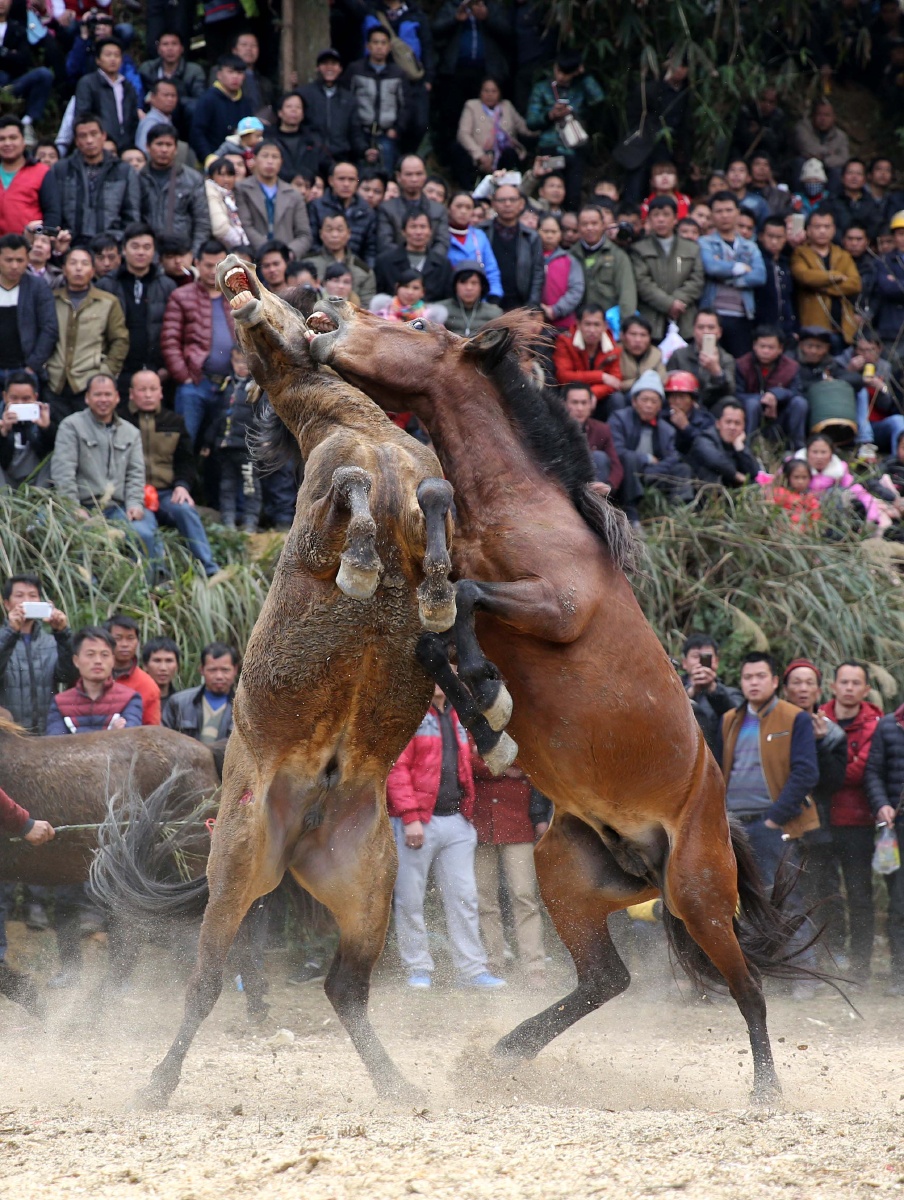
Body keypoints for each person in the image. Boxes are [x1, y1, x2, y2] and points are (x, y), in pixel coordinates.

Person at [387, 680, 506, 990]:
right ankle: (418, 969)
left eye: (451, 669)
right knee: (410, 899)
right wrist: (410, 817)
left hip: (456, 820)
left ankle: (472, 970)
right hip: (417, 822)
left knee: (464, 898)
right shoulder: (410, 714)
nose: (447, 675)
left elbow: (466, 764)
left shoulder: (457, 713)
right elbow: (397, 768)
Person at [718, 651, 820, 996]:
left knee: (788, 899)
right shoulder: (730, 718)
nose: (754, 682)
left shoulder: (794, 718)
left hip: (774, 824)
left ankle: (804, 976)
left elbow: (806, 771)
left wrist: (775, 819)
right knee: (746, 900)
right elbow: (722, 769)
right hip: (735, 824)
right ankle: (763, 975)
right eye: (748, 677)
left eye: (761, 676)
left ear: (775, 681)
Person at [818, 661, 884, 984]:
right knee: (824, 894)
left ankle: (861, 967)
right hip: (820, 820)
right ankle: (828, 961)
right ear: (833, 686)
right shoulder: (818, 717)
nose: (848, 688)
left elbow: (861, 771)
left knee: (859, 896)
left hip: (857, 821)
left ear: (866, 690)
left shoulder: (875, 723)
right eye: (843, 681)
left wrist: (827, 770)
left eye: (856, 683)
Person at [51, 373, 159, 565]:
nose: (103, 400)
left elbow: (136, 473)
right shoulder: (71, 426)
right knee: (80, 539)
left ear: (117, 397)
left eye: (108, 394)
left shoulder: (131, 432)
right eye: (97, 394)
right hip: (82, 506)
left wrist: (135, 504)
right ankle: (86, 590)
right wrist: (72, 507)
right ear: (87, 398)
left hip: (117, 508)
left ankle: (148, 589)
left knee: (144, 534)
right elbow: (63, 471)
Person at [124, 370, 222, 577]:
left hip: (167, 492)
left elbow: (186, 461)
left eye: (153, 389)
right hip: (134, 494)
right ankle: (157, 578)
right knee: (144, 528)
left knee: (185, 511)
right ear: (132, 393)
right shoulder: (122, 422)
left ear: (161, 392)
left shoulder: (174, 421)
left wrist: (182, 486)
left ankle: (210, 569)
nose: (148, 395)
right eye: (142, 390)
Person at [781, 659, 848, 958]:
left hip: (819, 823)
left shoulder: (832, 732)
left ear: (819, 690)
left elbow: (833, 782)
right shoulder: (774, 728)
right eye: (796, 682)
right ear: (784, 689)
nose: (803, 688)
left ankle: (830, 954)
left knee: (823, 890)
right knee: (784, 893)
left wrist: (819, 744)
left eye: (809, 683)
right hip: (780, 822)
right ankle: (787, 957)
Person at [471, 755, 545, 986]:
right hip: (481, 826)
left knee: (524, 897)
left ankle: (535, 966)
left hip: (519, 825)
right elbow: (466, 763)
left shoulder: (518, 730)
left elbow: (532, 764)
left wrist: (490, 767)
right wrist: (506, 768)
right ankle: (493, 961)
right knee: (484, 900)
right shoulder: (473, 729)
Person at [161, 239, 237, 444]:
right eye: (208, 265)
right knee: (186, 442)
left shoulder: (237, 296)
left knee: (225, 446)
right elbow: (170, 341)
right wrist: (184, 377)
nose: (214, 271)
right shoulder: (181, 296)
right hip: (195, 383)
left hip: (232, 384)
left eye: (219, 265)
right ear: (197, 263)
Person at [46, 248, 129, 426]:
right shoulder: (51, 300)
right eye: (73, 263)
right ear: (64, 269)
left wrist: (106, 373)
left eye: (84, 264)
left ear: (92, 271)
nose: (78, 269)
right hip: (54, 381)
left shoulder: (108, 302)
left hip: (88, 383)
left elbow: (119, 341)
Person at [95, 224, 177, 396]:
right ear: (124, 250)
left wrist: (166, 368)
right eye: (135, 246)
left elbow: (173, 330)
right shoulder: (107, 284)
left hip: (155, 372)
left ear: (154, 251)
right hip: (117, 371)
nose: (141, 252)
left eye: (147, 247)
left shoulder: (166, 285)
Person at [608, 370, 694, 525]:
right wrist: (645, 458)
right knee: (629, 458)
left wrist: (654, 469)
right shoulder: (619, 419)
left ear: (660, 406)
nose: (649, 405)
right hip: (626, 473)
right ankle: (632, 514)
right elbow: (617, 450)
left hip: (653, 473)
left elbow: (672, 457)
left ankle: (679, 516)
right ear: (634, 401)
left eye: (654, 401)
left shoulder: (666, 429)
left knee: (683, 469)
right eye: (644, 400)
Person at [864, 689, 904, 996]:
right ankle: (899, 974)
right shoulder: (889, 725)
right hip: (898, 827)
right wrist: (882, 804)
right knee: (900, 902)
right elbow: (873, 773)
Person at [44, 114, 141, 240]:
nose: (89, 140)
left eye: (94, 134)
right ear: (76, 141)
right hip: (71, 244)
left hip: (111, 245)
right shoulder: (61, 169)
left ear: (103, 136)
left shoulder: (123, 170)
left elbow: (131, 215)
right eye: (83, 136)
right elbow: (53, 211)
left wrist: (120, 240)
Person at [0, 573, 75, 734]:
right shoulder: (3, 638)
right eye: (19, 596)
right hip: (8, 734)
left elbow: (68, 676)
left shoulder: (51, 641)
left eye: (33, 596)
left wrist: (62, 633)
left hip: (48, 732)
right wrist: (10, 632)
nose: (26, 600)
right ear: (7, 604)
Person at [697, 191, 766, 360]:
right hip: (713, 314)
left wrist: (731, 279)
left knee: (740, 363)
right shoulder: (704, 242)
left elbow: (760, 275)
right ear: (712, 215)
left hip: (742, 316)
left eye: (729, 210)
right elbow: (712, 268)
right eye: (719, 211)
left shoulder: (750, 246)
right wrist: (740, 267)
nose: (724, 215)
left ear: (738, 213)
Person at [202, 343, 262, 532]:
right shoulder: (226, 385)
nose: (242, 366)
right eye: (238, 361)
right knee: (227, 484)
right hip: (225, 446)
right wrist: (207, 441)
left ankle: (250, 522)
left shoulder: (257, 388)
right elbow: (218, 417)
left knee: (250, 485)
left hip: (246, 446)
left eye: (246, 362)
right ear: (232, 361)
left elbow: (263, 418)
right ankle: (228, 520)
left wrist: (262, 439)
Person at [631, 196, 704, 344]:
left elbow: (697, 280)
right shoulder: (639, 249)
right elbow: (642, 283)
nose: (661, 220)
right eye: (656, 215)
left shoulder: (691, 248)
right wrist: (669, 303)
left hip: (684, 319)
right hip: (651, 320)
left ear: (676, 218)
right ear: (649, 220)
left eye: (666, 215)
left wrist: (678, 301)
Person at [47, 625, 143, 734]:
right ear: (76, 661)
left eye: (104, 655)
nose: (98, 661)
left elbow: (129, 739)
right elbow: (56, 743)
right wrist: (112, 735)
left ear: (113, 660)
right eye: (90, 654)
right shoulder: (60, 702)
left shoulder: (129, 698)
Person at [790, 210, 861, 348]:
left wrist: (820, 286)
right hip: (814, 327)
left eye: (827, 227)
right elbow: (804, 277)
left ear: (834, 230)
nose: (822, 231)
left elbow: (855, 284)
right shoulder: (800, 253)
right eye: (817, 227)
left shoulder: (843, 255)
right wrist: (834, 276)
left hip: (842, 328)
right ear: (808, 230)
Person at [139, 127, 211, 259]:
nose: (164, 150)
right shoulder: (137, 178)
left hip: (182, 253)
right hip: (146, 254)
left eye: (169, 145)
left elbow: (202, 221)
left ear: (176, 149)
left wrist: (194, 255)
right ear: (148, 147)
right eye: (159, 144)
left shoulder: (192, 179)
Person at [344, 27, 408, 175]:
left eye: (383, 43)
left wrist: (398, 129)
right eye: (375, 42)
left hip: (387, 133)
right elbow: (347, 101)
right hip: (360, 132)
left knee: (386, 174)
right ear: (368, 46)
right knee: (358, 176)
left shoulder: (398, 73)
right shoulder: (355, 69)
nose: (379, 47)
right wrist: (354, 129)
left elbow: (406, 106)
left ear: (389, 47)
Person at [234, 141, 313, 261]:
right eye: (265, 156)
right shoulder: (242, 189)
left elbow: (304, 234)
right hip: (253, 257)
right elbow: (245, 225)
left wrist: (287, 253)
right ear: (254, 160)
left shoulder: (293, 194)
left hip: (286, 260)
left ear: (281, 161)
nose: (270, 161)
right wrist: (267, 251)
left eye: (275, 157)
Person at [0, 234, 58, 393]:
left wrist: (32, 366)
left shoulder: (37, 286)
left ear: (27, 260)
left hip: (24, 369)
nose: (14, 266)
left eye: (19, 260)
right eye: (8, 260)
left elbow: (49, 328)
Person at [735, 325, 808, 448]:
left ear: (780, 348)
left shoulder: (791, 367)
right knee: (752, 404)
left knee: (800, 403)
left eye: (771, 347)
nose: (766, 351)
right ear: (754, 346)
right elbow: (736, 394)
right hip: (752, 413)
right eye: (762, 346)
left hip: (780, 417)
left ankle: (797, 448)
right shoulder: (742, 364)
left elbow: (797, 392)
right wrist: (764, 398)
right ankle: (747, 447)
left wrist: (776, 395)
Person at [454, 76, 531, 189]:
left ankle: (509, 190)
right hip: (479, 156)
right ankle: (468, 190)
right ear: (480, 92)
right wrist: (480, 156)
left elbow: (523, 128)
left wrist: (545, 122)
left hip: (504, 156)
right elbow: (463, 134)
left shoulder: (507, 106)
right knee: (458, 150)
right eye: (486, 91)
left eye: (494, 91)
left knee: (510, 154)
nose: (490, 94)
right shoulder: (472, 106)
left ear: (500, 93)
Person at [569, 203, 637, 325]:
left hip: (609, 323)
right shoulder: (571, 255)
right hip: (578, 324)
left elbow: (627, 294)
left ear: (603, 225)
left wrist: (625, 326)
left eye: (594, 223)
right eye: (585, 224)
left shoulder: (618, 256)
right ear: (578, 227)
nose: (589, 228)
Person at [482, 183, 544, 312]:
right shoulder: (481, 231)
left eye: (512, 200)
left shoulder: (532, 237)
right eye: (502, 200)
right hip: (486, 305)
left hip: (519, 305)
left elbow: (538, 273)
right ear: (493, 203)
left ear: (521, 203)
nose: (507, 204)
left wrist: (532, 307)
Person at [162, 641, 238, 745]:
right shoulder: (178, 703)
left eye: (225, 670)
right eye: (212, 670)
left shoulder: (245, 709)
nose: (219, 676)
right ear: (201, 670)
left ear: (235, 670)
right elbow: (163, 741)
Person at [299, 48, 365, 165]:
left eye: (334, 64)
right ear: (318, 68)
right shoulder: (305, 94)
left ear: (340, 69)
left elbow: (355, 131)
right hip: (311, 157)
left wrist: (364, 150)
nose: (329, 68)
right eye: (325, 64)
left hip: (341, 157)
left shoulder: (349, 99)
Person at [0, 0, 54, 141]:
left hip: (13, 85)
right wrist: (9, 54)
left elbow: (24, 60)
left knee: (43, 74)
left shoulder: (18, 29)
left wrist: (4, 53)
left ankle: (27, 123)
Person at [73, 38, 139, 153]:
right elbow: (83, 116)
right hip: (100, 144)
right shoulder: (88, 83)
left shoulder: (128, 86)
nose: (113, 59)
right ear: (98, 60)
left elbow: (133, 119)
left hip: (126, 145)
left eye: (117, 55)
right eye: (108, 55)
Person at [680, 633, 742, 754]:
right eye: (695, 656)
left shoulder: (731, 694)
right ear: (684, 663)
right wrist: (690, 692)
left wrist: (712, 689)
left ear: (716, 662)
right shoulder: (670, 692)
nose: (700, 661)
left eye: (707, 657)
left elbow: (739, 718)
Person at [552, 303, 621, 410]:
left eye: (597, 325)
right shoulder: (565, 341)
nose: (592, 330)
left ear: (605, 326)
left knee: (617, 398)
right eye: (587, 324)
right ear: (578, 325)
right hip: (572, 395)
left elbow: (615, 381)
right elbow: (563, 376)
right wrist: (601, 376)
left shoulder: (612, 345)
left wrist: (591, 394)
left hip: (598, 396)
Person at [376, 154, 449, 254]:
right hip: (396, 265)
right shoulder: (387, 208)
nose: (414, 179)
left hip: (430, 266)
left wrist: (427, 263)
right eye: (409, 174)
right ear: (398, 176)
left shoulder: (438, 210)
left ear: (425, 176)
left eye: (419, 174)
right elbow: (385, 243)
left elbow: (442, 243)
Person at [667, 309, 738, 412]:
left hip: (713, 408)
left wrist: (716, 371)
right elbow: (669, 388)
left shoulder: (726, 359)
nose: (706, 332)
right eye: (701, 327)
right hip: (684, 405)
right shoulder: (679, 355)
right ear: (694, 331)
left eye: (711, 327)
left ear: (719, 332)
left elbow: (730, 391)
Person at [309, 160, 377, 266]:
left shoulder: (367, 211)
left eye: (351, 180)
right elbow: (312, 243)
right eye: (341, 179)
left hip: (355, 268)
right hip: (322, 265)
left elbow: (370, 250)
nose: (346, 184)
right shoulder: (316, 206)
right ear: (331, 181)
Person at [374, 210, 452, 301]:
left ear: (430, 231)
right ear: (403, 231)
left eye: (423, 227)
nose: (418, 232)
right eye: (413, 226)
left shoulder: (443, 264)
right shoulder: (384, 262)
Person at [189, 54, 252, 163]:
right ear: (219, 74)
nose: (235, 77)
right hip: (212, 159)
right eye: (231, 72)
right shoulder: (208, 99)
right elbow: (197, 133)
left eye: (239, 73)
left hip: (240, 161)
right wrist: (208, 157)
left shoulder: (245, 102)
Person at [686, 397, 759, 488]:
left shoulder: (739, 443)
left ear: (743, 427)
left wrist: (740, 448)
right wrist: (736, 475)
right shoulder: (704, 439)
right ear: (718, 424)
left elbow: (756, 473)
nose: (732, 427)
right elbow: (715, 460)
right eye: (728, 422)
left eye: (737, 423)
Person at [0, 116, 54, 238]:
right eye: (2, 139)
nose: (7, 143)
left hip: (28, 250)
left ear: (24, 141)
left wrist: (37, 237)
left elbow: (52, 216)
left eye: (13, 138)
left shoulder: (42, 172)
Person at [562, 382, 623, 490]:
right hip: (565, 483)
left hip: (595, 486)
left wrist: (609, 486)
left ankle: (597, 501)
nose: (580, 408)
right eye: (574, 402)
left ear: (591, 404)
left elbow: (616, 466)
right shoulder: (554, 428)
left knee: (600, 457)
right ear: (564, 404)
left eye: (584, 403)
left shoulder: (602, 429)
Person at [307, 214, 376, 307]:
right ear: (321, 234)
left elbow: (367, 307)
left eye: (340, 230)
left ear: (349, 233)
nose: (334, 235)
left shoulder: (363, 271)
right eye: (329, 230)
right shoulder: (308, 264)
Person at [105, 613, 162, 725]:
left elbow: (152, 730)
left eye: (130, 638)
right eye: (118, 638)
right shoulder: (92, 676)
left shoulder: (147, 684)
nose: (125, 644)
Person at [0, 372, 54, 489]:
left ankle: (40, 499)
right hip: (5, 481)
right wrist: (3, 434)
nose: (20, 404)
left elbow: (52, 453)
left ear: (35, 397)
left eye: (26, 399)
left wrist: (47, 429)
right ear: (5, 397)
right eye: (14, 399)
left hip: (37, 480)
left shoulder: (46, 414)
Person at [445, 191, 502, 301]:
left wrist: (494, 294)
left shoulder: (479, 236)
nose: (463, 211)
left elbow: (491, 269)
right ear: (449, 208)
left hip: (478, 302)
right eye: (459, 206)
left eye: (468, 207)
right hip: (447, 300)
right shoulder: (441, 235)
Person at [138, 30, 206, 117]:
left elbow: (200, 100)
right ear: (158, 49)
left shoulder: (194, 70)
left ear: (182, 48)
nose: (170, 48)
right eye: (165, 44)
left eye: (174, 44)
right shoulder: (147, 68)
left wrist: (168, 100)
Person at [755, 215, 797, 342]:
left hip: (786, 329)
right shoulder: (756, 261)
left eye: (779, 237)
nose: (774, 241)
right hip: (762, 329)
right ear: (761, 236)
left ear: (785, 238)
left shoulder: (786, 263)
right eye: (770, 236)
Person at [538, 214, 584, 330]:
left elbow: (576, 290)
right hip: (535, 323)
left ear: (560, 235)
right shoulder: (531, 257)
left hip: (564, 324)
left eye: (554, 232)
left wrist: (555, 310)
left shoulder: (569, 260)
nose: (549, 235)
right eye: (545, 231)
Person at [439, 262, 504, 337]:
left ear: (482, 286)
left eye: (474, 283)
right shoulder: (439, 310)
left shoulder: (495, 313)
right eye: (463, 283)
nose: (469, 288)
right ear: (454, 285)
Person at [792, 99, 851, 177]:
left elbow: (844, 158)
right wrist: (829, 153)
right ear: (813, 116)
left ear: (834, 117)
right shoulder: (803, 128)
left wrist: (824, 160)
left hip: (828, 167)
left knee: (837, 171)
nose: (823, 119)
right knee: (799, 162)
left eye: (827, 115)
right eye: (819, 114)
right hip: (806, 165)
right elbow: (808, 148)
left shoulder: (841, 136)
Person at [876, 209, 904, 363]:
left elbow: (894, 287)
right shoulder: (884, 261)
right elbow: (886, 288)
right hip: (892, 329)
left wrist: (896, 282)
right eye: (900, 234)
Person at [617, 315, 666, 399]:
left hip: (649, 395)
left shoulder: (656, 354)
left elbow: (662, 379)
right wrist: (643, 380)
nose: (638, 340)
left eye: (643, 335)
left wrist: (635, 381)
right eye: (633, 334)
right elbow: (617, 384)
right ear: (622, 336)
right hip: (624, 395)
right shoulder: (615, 353)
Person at [141, 636, 181, 703]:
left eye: (169, 661)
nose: (163, 668)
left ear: (177, 665)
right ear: (145, 666)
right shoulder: (134, 700)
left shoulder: (182, 702)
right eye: (157, 661)